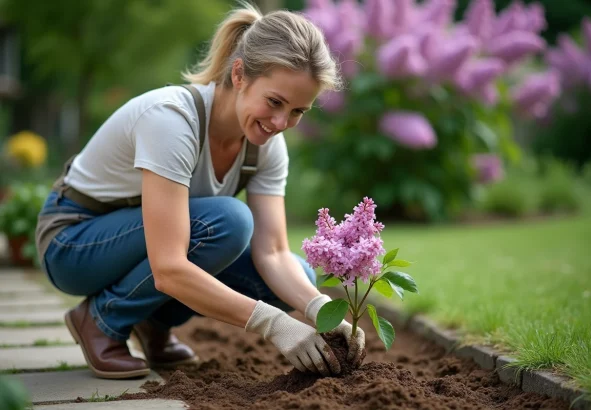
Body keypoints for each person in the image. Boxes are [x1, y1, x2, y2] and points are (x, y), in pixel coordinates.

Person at [34, 2, 366, 380]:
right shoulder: (172, 120)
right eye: (275, 102)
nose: (280, 122)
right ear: (239, 74)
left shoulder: (267, 145)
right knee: (228, 223)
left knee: (299, 277)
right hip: (74, 244)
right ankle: (100, 321)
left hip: (139, 244)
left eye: (297, 112)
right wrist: (273, 324)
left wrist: (320, 307)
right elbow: (170, 268)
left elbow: (272, 253)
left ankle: (153, 325)